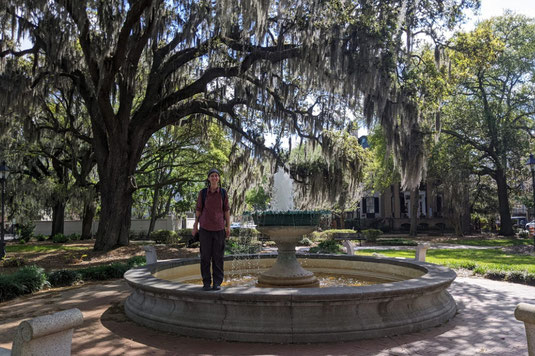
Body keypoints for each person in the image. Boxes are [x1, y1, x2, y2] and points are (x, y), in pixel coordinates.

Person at [192, 168, 231, 291]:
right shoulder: (203, 193)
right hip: (205, 229)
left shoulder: (223, 193)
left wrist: (228, 226)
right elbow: (198, 210)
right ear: (208, 178)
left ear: (218, 178)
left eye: (216, 176)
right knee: (205, 257)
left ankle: (217, 283)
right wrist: (195, 226)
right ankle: (206, 283)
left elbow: (226, 211)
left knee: (218, 257)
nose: (214, 178)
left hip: (219, 229)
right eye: (212, 176)